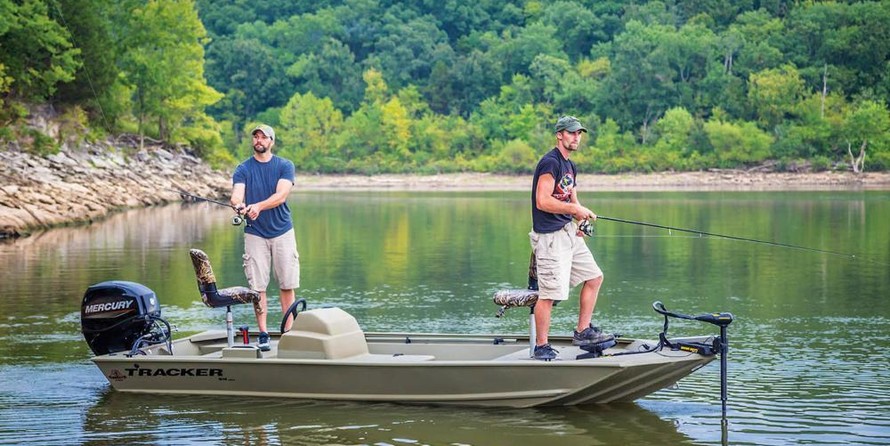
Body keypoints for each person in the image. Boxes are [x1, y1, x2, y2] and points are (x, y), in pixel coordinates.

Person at [529, 116, 614, 361]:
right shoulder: (550, 162)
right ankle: (541, 346)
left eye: (579, 133)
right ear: (560, 135)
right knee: (549, 294)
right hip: (550, 238)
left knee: (594, 277)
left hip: (568, 233)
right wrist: (574, 210)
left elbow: (572, 201)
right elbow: (542, 201)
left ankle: (582, 331)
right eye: (571, 133)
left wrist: (582, 220)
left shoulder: (570, 166)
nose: (576, 137)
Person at [230, 124, 299, 351]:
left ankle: (289, 332)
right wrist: (240, 205)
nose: (259, 140)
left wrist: (258, 206)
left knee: (287, 284)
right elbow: (236, 195)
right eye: (256, 137)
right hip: (255, 233)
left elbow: (281, 195)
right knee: (258, 287)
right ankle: (263, 333)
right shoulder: (243, 169)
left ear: (272, 141)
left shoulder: (285, 166)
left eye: (263, 137)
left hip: (283, 231)